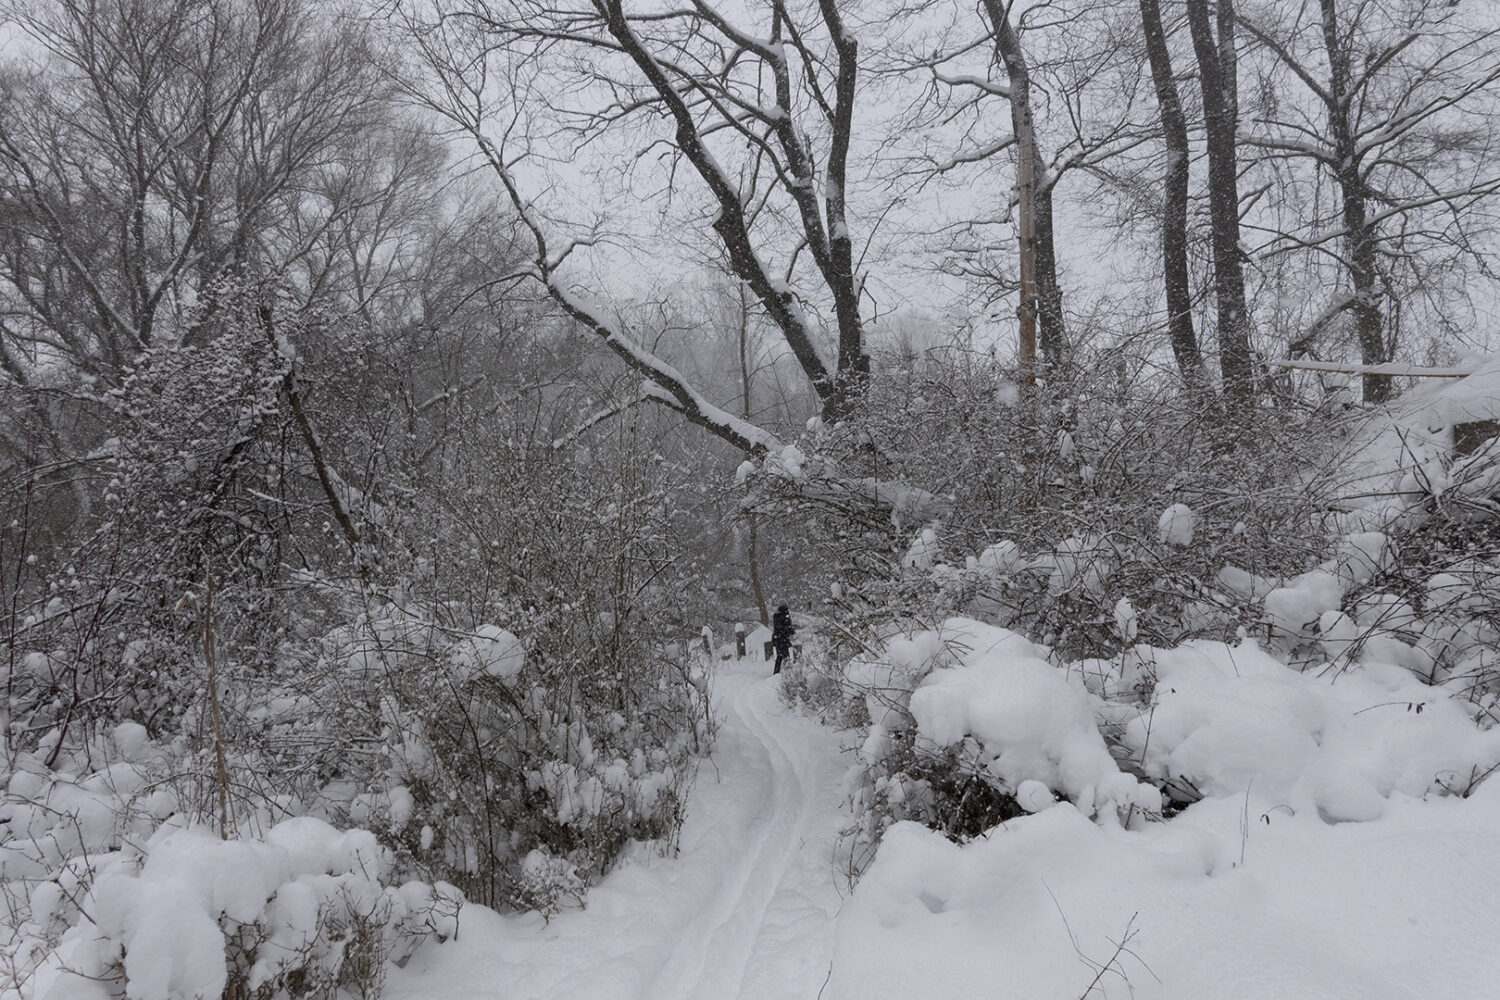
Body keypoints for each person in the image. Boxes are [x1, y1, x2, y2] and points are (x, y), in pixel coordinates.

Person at [771, 603, 796, 675]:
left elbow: (779, 628)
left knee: (780, 655)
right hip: (783, 639)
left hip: (778, 639)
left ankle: (779, 671)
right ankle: (783, 672)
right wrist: (792, 631)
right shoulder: (785, 617)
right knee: (784, 655)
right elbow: (786, 628)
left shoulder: (776, 616)